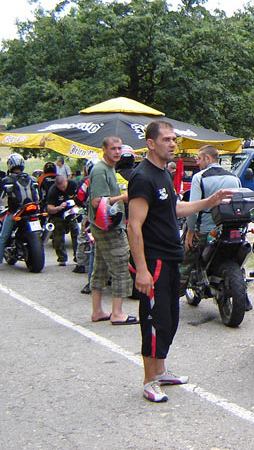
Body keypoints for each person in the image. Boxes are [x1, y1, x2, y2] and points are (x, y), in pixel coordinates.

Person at [127, 120, 233, 403]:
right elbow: (134, 226)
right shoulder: (143, 177)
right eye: (166, 139)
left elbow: (174, 208)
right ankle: (149, 380)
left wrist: (208, 202)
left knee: (169, 318)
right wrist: (142, 270)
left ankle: (160, 371)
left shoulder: (162, 173)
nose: (173, 144)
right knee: (154, 319)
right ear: (151, 144)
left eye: (173, 139)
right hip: (154, 260)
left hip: (171, 256)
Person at [88, 136, 133, 324]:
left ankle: (97, 311)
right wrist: (122, 197)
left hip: (104, 226)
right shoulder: (100, 170)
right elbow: (97, 201)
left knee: (101, 267)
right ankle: (117, 313)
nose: (117, 152)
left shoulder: (109, 168)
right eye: (113, 148)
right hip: (108, 226)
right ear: (104, 149)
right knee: (121, 265)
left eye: (119, 148)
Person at [182, 145, 240, 277]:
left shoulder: (199, 177)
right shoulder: (234, 177)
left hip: (205, 230)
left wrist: (190, 231)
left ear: (207, 158)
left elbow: (193, 209)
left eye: (199, 158)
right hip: (230, 230)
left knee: (185, 265)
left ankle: (179, 288)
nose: (197, 162)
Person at [0, 153, 40, 271]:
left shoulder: (7, 180)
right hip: (33, 211)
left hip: (16, 211)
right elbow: (39, 195)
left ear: (10, 165)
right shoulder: (32, 178)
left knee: (3, 236)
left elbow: (0, 198)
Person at [46, 175, 80, 266]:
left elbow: (80, 198)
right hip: (58, 214)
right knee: (58, 236)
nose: (62, 189)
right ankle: (62, 258)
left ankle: (78, 256)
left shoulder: (73, 185)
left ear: (66, 182)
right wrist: (58, 208)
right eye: (60, 188)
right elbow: (49, 208)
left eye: (64, 187)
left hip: (71, 212)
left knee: (76, 231)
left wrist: (76, 205)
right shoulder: (53, 190)